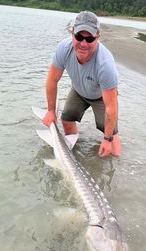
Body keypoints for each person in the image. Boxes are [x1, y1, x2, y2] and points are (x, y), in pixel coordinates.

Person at [42, 11, 122, 157]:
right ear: (72, 33)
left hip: (100, 97)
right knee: (66, 119)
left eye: (89, 38)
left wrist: (107, 139)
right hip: (79, 90)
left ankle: (117, 163)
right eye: (79, 37)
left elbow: (111, 107)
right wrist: (51, 111)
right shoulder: (63, 49)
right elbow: (52, 80)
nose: (83, 44)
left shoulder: (105, 65)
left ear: (97, 37)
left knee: (112, 137)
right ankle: (72, 151)